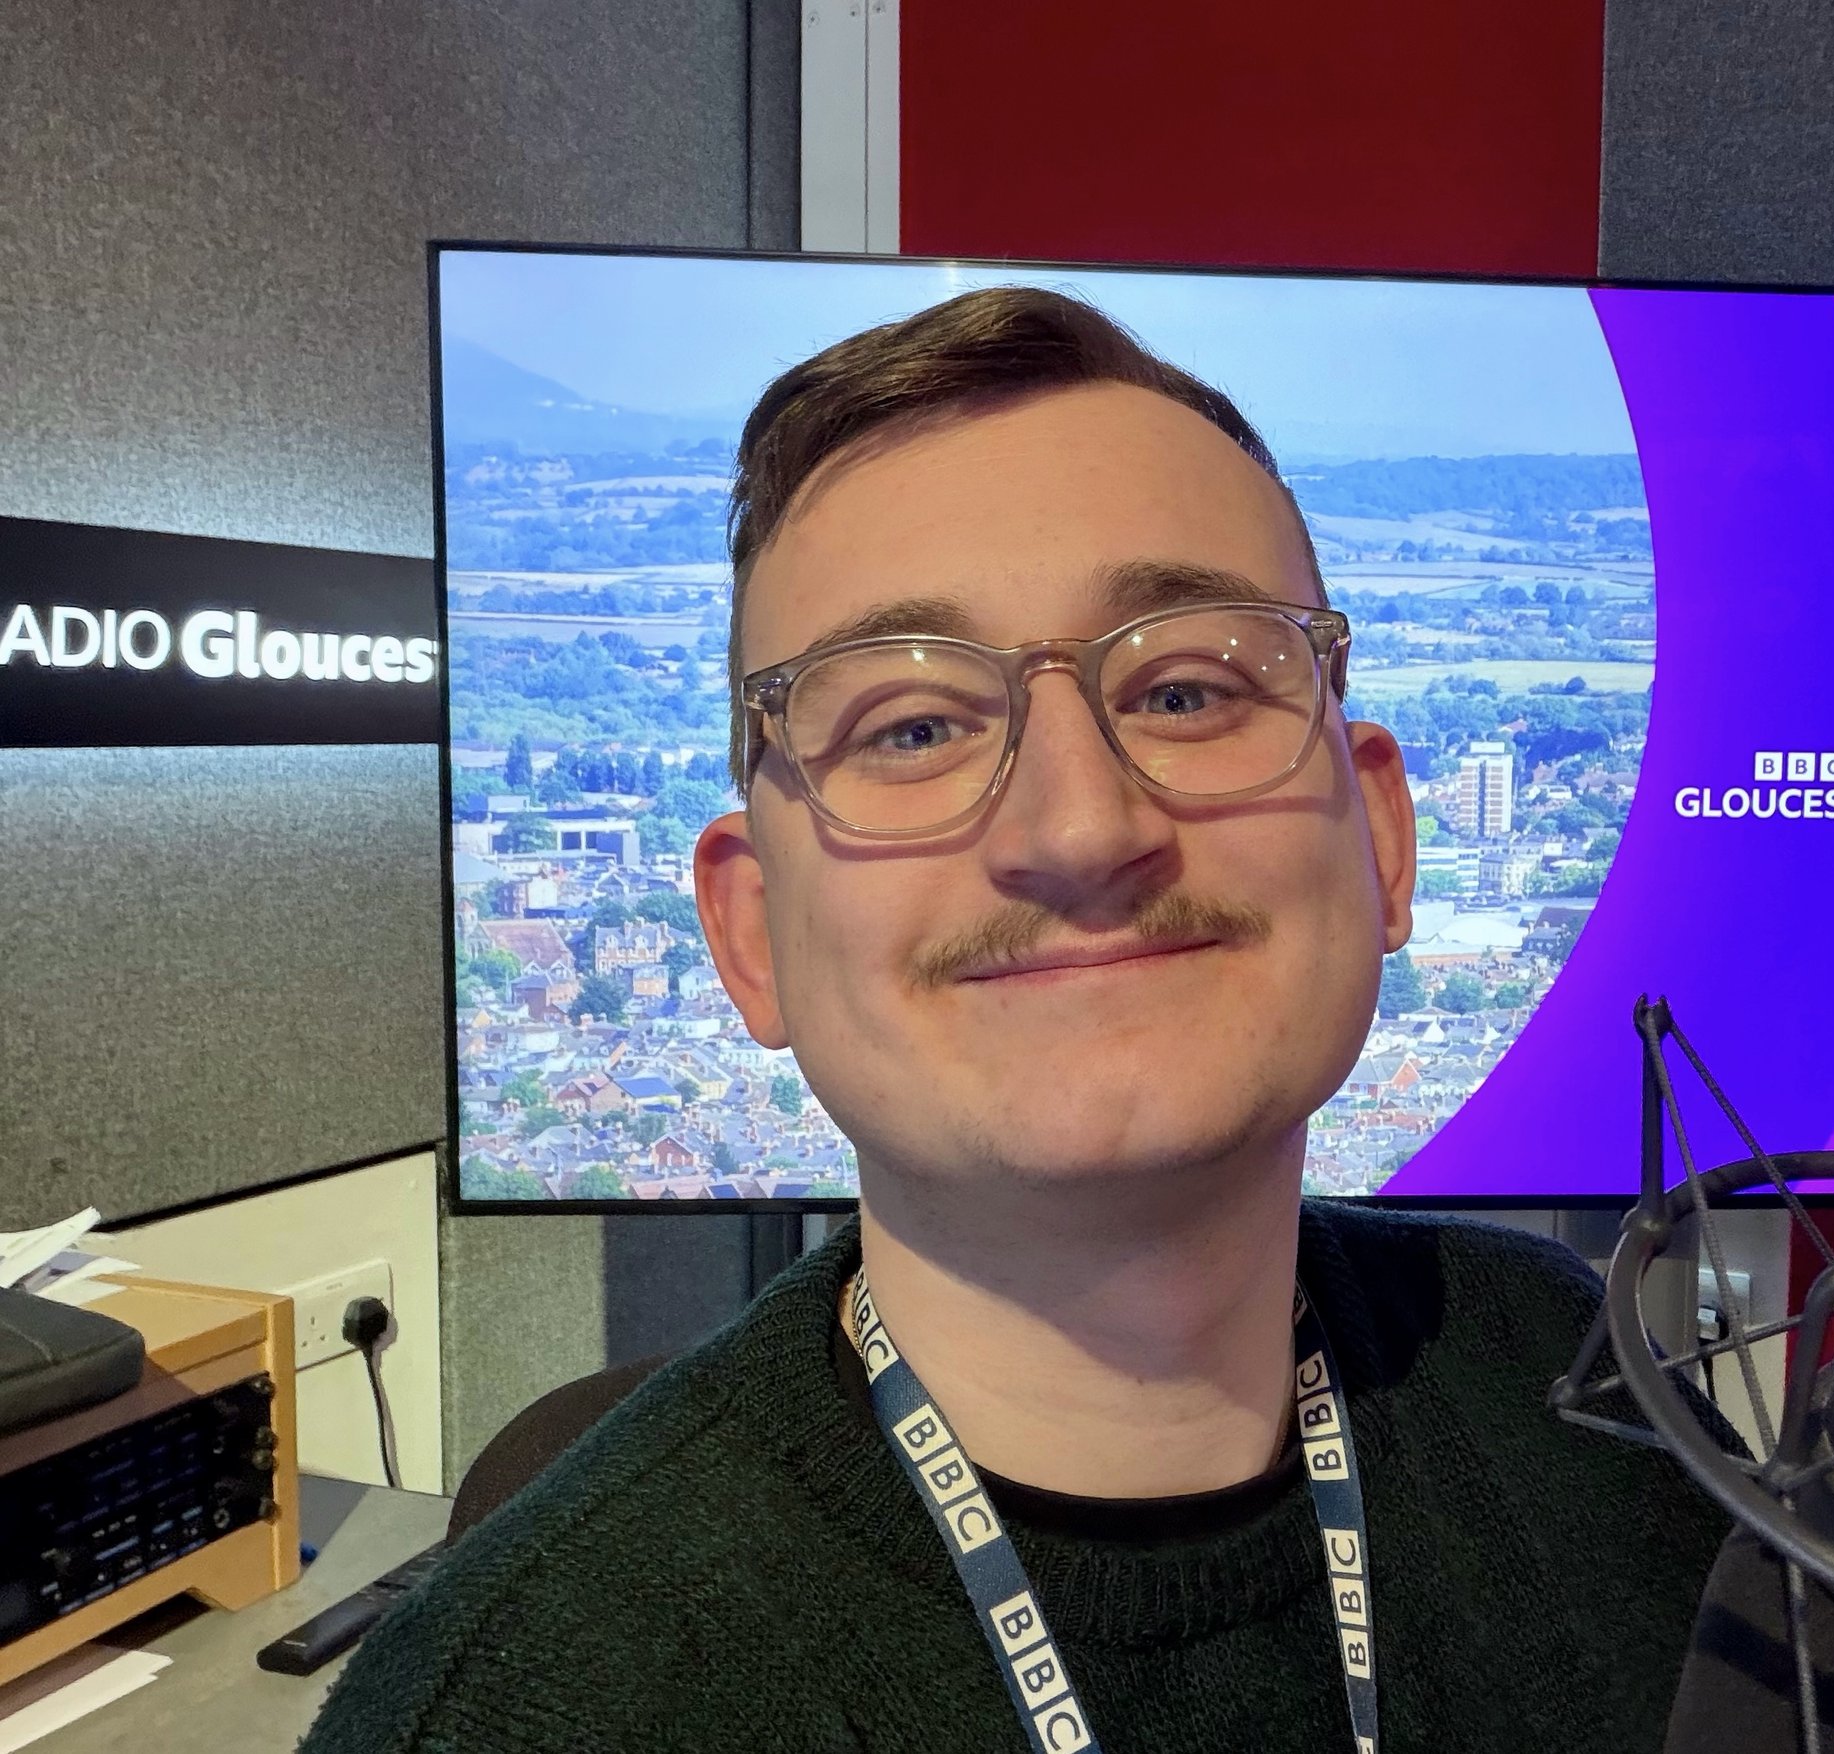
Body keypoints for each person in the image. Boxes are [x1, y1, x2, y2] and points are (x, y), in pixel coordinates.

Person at [304, 286, 1733, 1754]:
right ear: (749, 936)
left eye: (1185, 688)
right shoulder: (510, 1710)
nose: (1080, 823)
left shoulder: (1595, 1397)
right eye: (911, 729)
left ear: (1381, 839)